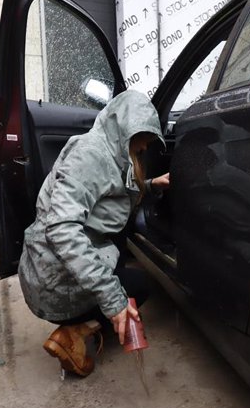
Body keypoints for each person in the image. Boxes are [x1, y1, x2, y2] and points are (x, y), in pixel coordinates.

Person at [17, 89, 169, 376]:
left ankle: (89, 317)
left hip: (54, 270)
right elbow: (62, 229)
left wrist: (150, 185)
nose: (145, 150)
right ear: (124, 131)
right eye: (141, 144)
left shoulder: (107, 150)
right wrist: (114, 300)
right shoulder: (90, 156)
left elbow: (110, 192)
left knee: (119, 250)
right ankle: (73, 333)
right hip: (54, 279)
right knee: (138, 287)